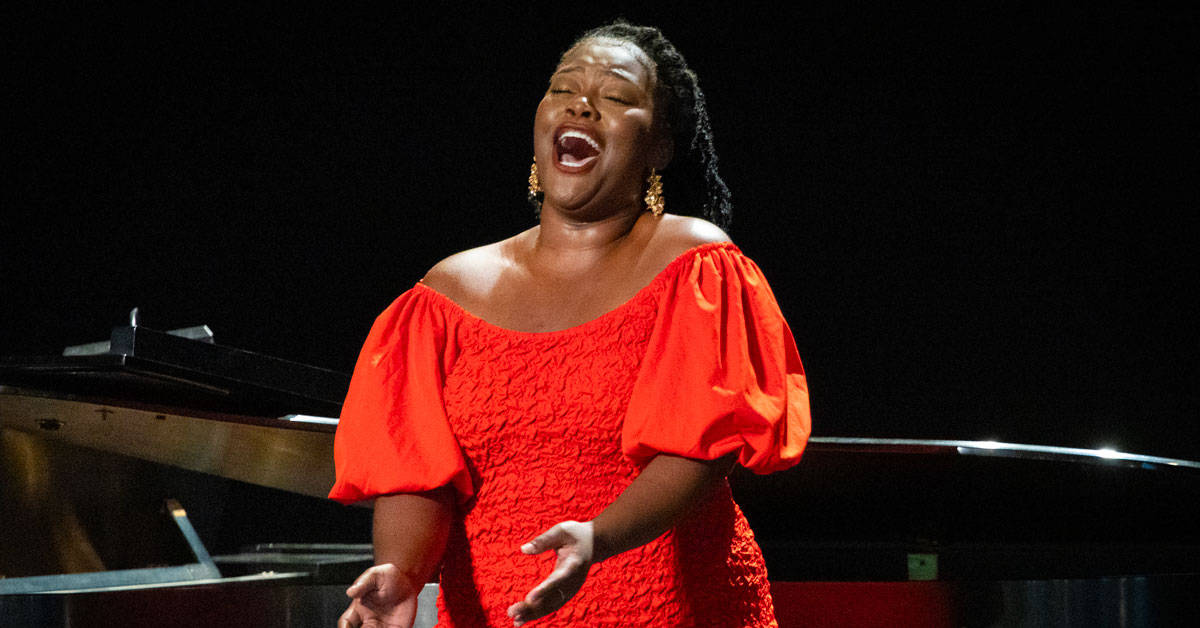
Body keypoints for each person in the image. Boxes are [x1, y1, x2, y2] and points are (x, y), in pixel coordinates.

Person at [330, 20, 811, 628]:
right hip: (497, 613)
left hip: (670, 606)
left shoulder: (692, 264)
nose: (582, 103)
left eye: (615, 97)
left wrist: (598, 539)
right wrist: (401, 572)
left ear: (660, 146)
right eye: (563, 90)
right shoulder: (444, 295)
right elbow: (416, 473)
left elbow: (700, 446)